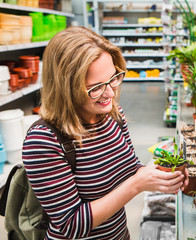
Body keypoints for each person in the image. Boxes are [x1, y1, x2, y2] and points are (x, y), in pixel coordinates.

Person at [22, 26, 187, 240]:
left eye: (113, 78)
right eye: (95, 87)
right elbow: (71, 225)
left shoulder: (113, 115)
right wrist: (137, 185)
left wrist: (159, 175)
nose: (110, 93)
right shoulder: (44, 140)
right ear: (66, 88)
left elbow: (128, 169)